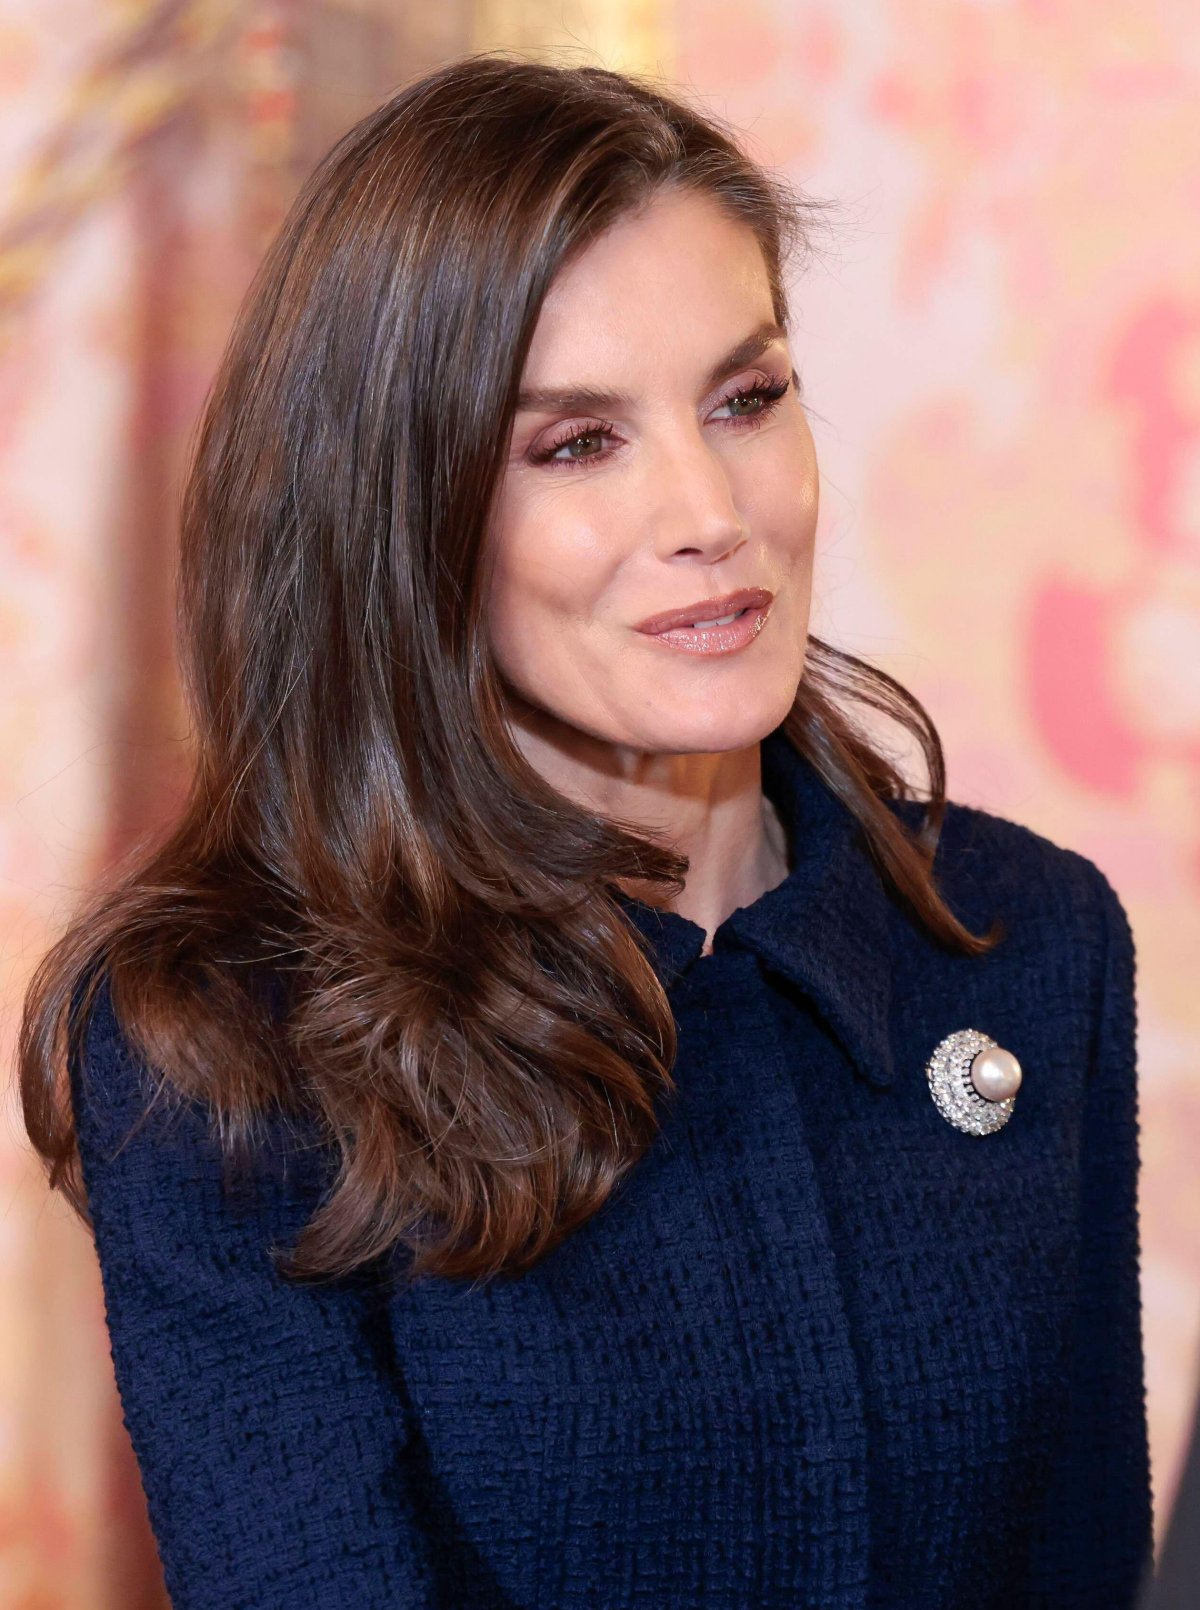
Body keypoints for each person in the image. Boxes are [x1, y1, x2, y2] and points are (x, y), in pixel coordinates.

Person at [18, 52, 1154, 1609]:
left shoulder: (1031, 936)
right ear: (402, 514)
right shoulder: (223, 1038)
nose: (711, 507)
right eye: (576, 443)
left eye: (746, 398)